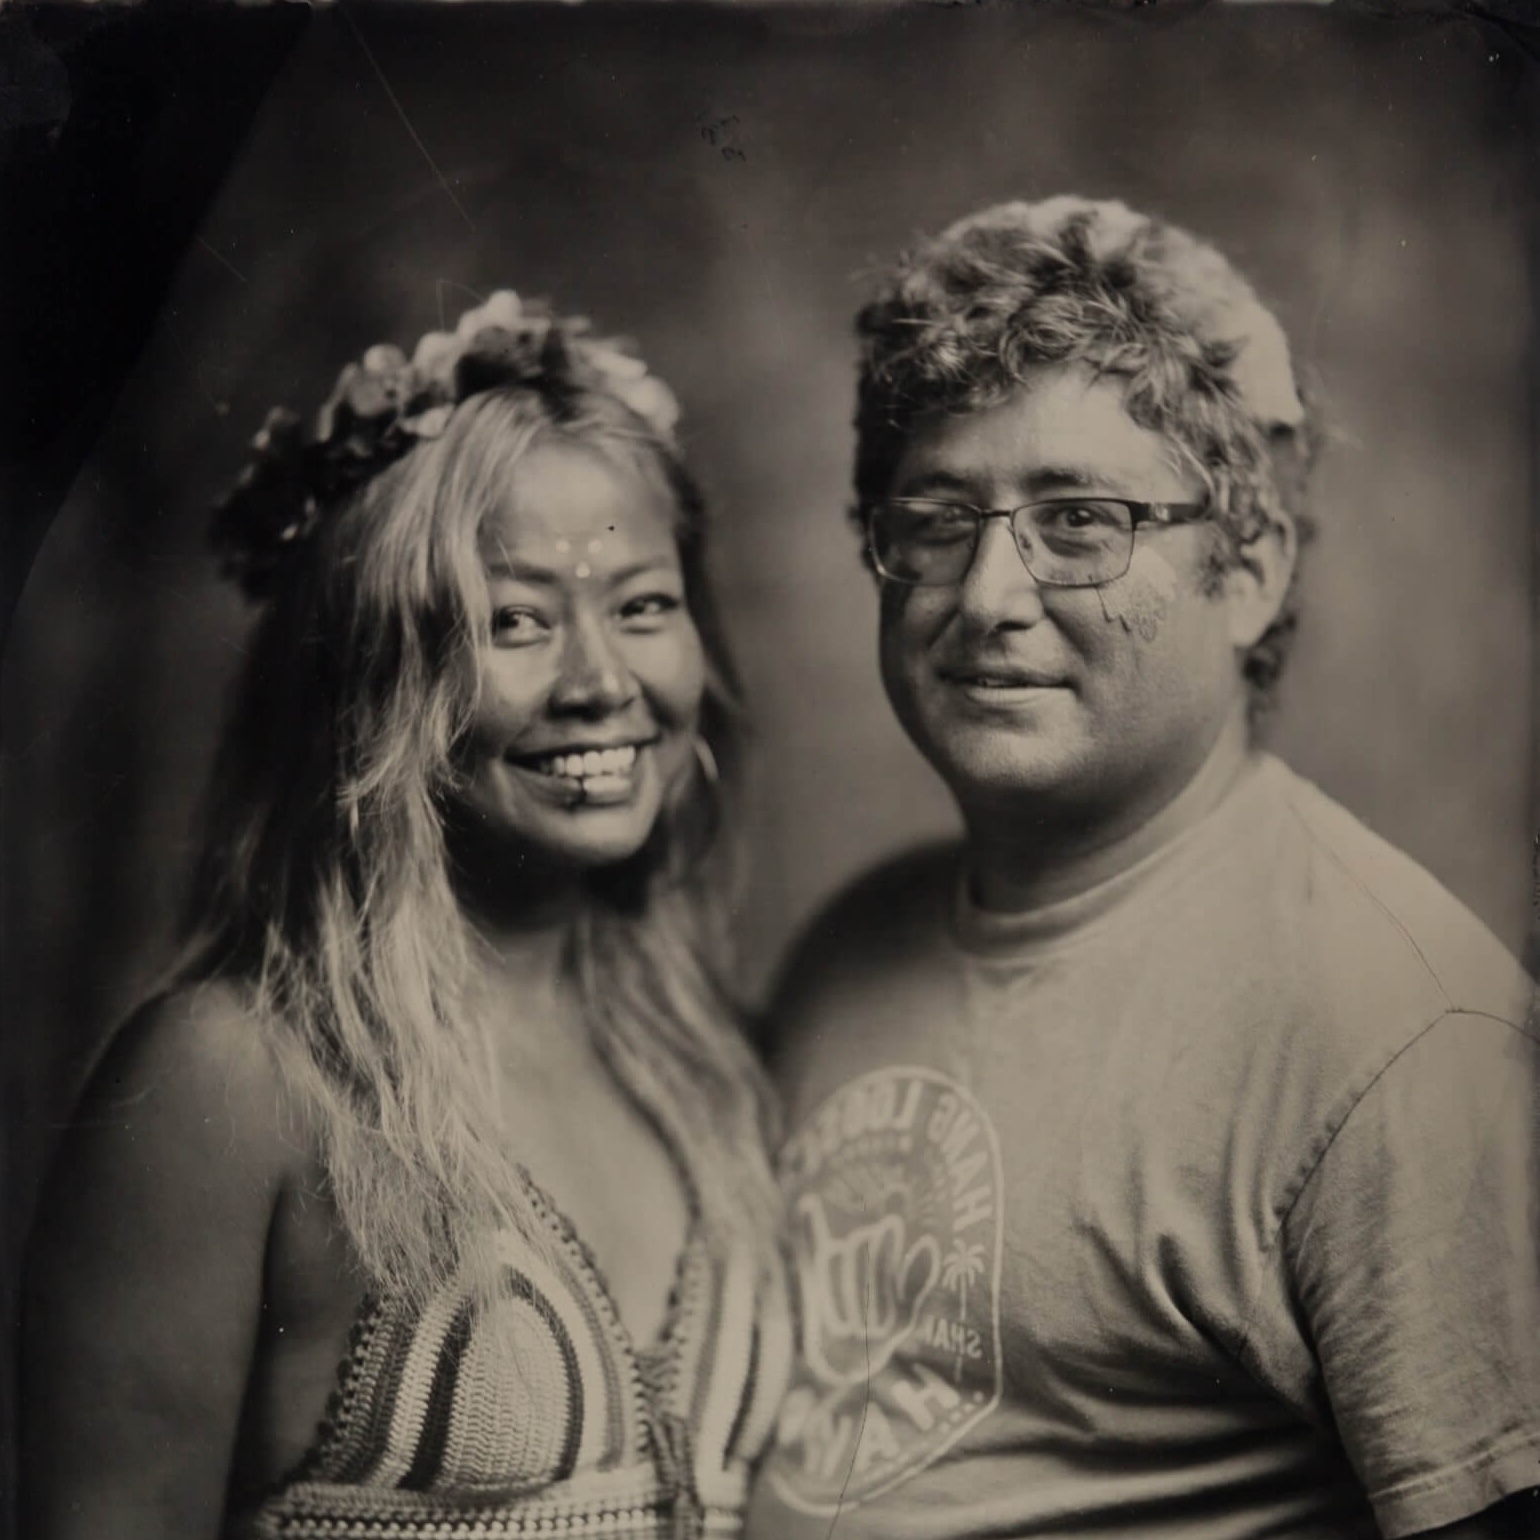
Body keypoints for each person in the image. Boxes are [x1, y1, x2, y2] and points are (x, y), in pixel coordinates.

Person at [743, 197, 1539, 1540]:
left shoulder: (1399, 1026)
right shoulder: (849, 942)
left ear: (1251, 572)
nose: (989, 594)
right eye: (934, 518)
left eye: (1081, 521)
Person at [21, 291, 791, 1540]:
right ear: (374, 674)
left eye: (643, 605)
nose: (602, 683)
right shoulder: (230, 1079)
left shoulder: (713, 1062)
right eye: (514, 621)